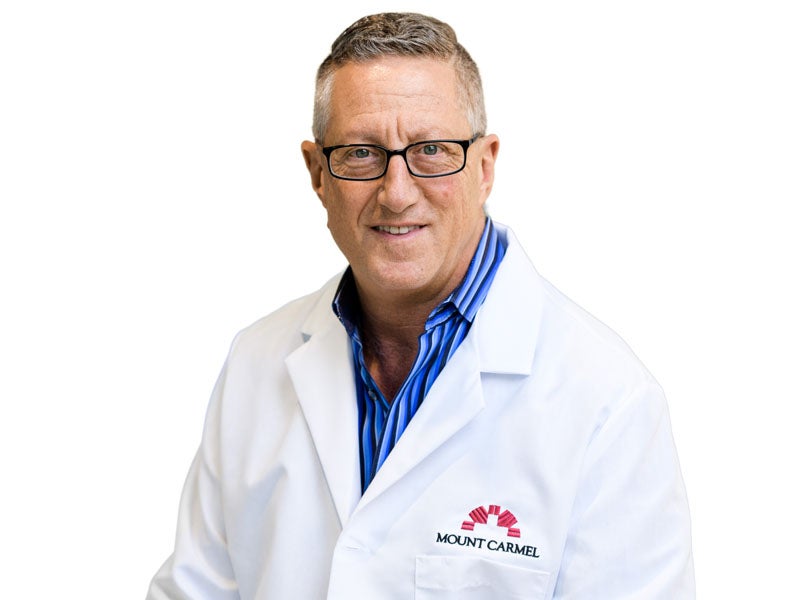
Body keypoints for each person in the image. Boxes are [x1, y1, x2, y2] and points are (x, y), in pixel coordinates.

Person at [147, 12, 694, 599]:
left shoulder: (608, 401)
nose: (397, 192)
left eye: (432, 150)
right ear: (317, 174)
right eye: (361, 153)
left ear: (485, 167)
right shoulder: (256, 362)